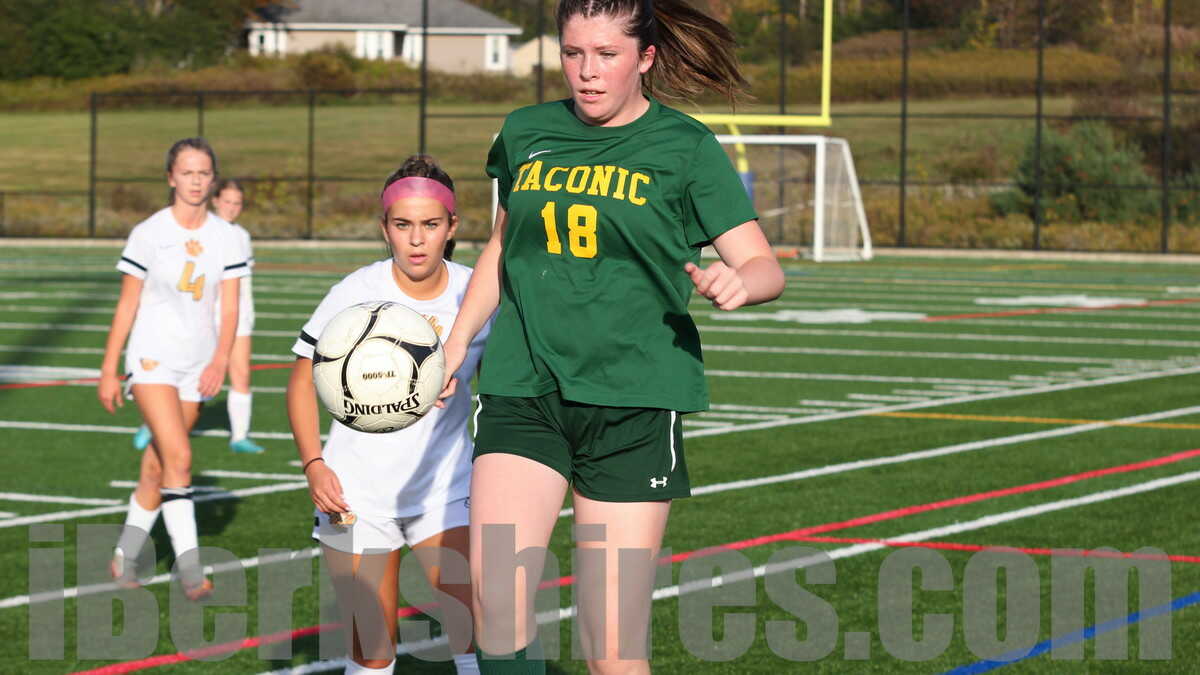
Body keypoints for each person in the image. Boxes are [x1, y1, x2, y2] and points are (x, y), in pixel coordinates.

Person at [437, 1, 787, 672]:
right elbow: (504, 244)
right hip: (525, 385)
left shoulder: (685, 147)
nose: (587, 72)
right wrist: (457, 343)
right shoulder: (526, 130)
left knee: (610, 643)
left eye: (606, 55)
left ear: (645, 58)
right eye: (573, 53)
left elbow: (764, 264)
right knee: (496, 604)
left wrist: (741, 281)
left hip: (635, 397)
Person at [287, 156, 489, 675]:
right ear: (385, 228)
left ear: (452, 227)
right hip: (354, 494)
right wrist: (314, 464)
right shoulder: (355, 292)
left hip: (444, 490)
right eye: (403, 225)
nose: (417, 239)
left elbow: (508, 386)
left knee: (476, 636)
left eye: (430, 224)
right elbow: (301, 380)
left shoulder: (477, 293)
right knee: (371, 648)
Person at [98, 137, 249, 600]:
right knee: (180, 458)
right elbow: (127, 305)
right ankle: (191, 570)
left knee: (158, 465)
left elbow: (230, 308)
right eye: (187, 173)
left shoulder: (228, 236)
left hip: (197, 366)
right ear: (171, 178)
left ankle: (123, 557)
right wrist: (108, 369)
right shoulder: (149, 233)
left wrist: (219, 360)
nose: (196, 182)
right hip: (152, 360)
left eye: (203, 173)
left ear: (213, 179)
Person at [132, 178, 265, 454]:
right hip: (205, 318)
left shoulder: (241, 236)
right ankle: (153, 424)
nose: (232, 208)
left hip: (238, 316)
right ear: (215, 201)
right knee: (182, 377)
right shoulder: (204, 232)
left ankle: (239, 436)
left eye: (238, 203)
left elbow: (239, 284)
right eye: (227, 202)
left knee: (241, 373)